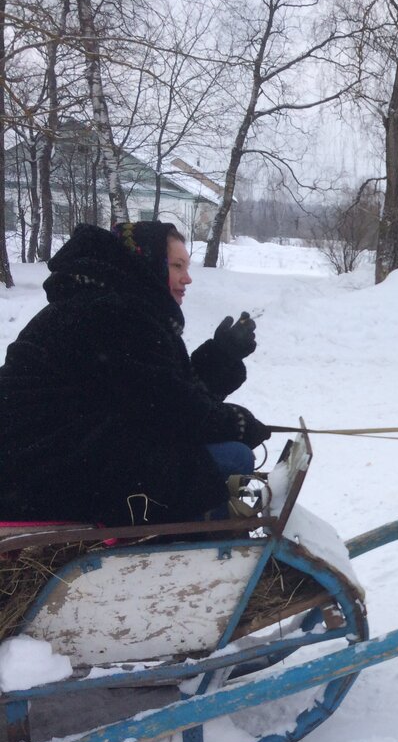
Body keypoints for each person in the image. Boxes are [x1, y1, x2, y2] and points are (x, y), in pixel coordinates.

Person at [0, 221, 271, 527]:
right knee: (233, 459)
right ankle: (212, 562)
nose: (188, 278)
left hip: (43, 465)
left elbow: (158, 394)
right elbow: (168, 410)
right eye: (177, 266)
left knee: (209, 457)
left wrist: (222, 356)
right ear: (149, 266)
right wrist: (236, 424)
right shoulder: (113, 313)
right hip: (41, 477)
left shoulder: (111, 304)